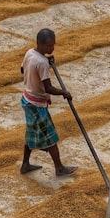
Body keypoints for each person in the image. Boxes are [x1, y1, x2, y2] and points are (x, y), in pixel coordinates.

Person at [19, 28, 77, 176]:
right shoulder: (42, 63)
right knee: (51, 137)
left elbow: (22, 69)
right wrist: (64, 92)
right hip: (37, 105)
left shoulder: (30, 53)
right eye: (49, 46)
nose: (52, 48)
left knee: (31, 134)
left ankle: (25, 165)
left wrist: (47, 63)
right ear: (41, 44)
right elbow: (48, 87)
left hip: (27, 99)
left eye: (53, 45)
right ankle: (59, 168)